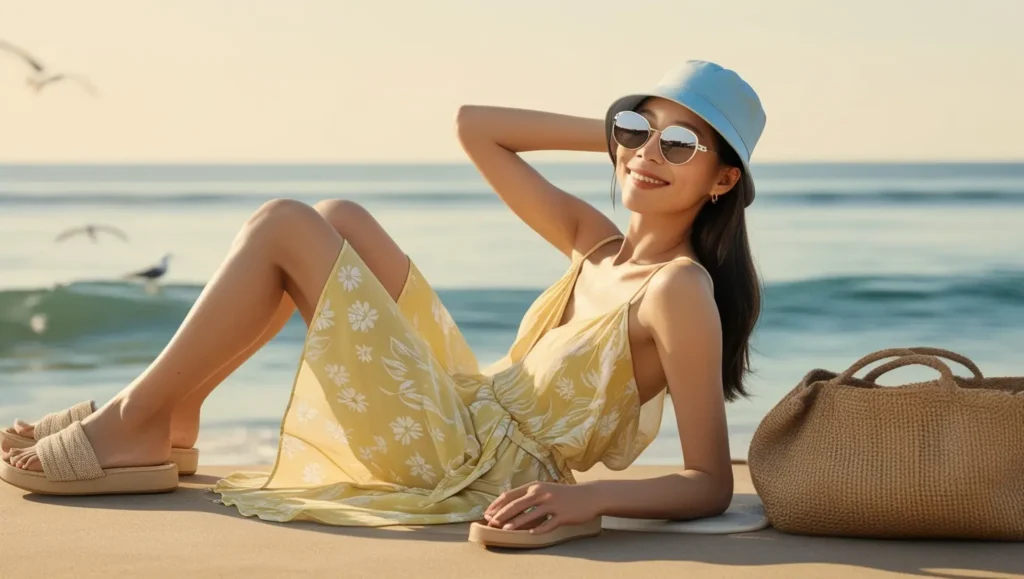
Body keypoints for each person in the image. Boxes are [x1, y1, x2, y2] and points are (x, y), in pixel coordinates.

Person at [1, 60, 766, 544]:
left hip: (474, 459)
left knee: (285, 224)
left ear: (722, 181)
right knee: (337, 217)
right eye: (639, 131)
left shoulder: (680, 290)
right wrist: (615, 133)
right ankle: (174, 415)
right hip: (467, 404)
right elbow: (477, 128)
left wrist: (585, 501)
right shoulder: (594, 242)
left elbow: (709, 480)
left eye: (681, 146)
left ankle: (137, 420)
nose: (646, 153)